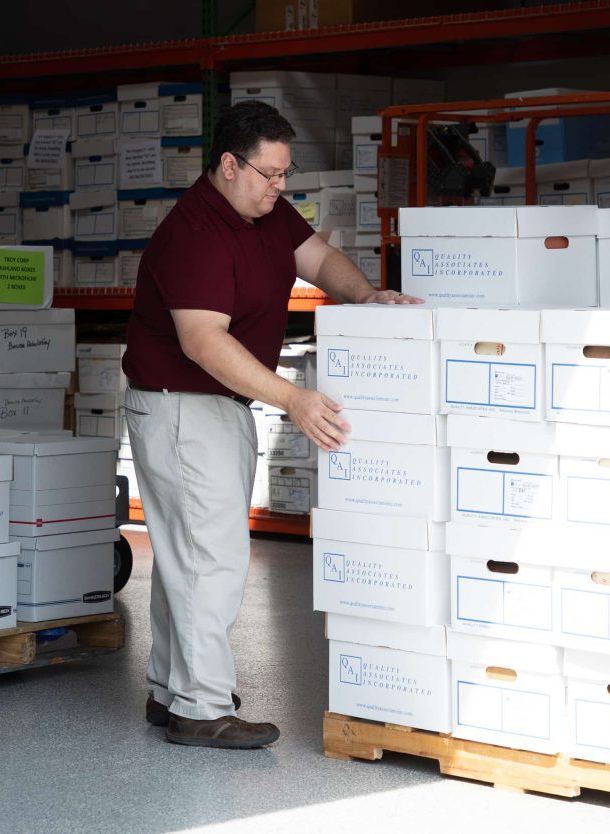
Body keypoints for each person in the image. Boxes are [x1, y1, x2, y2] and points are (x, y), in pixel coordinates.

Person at [121, 100, 423, 750]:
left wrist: (365, 294)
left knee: (187, 553)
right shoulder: (196, 233)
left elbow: (316, 257)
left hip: (214, 403)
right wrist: (293, 399)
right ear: (228, 166)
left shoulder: (265, 212)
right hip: (182, 402)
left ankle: (171, 690)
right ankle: (201, 709)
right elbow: (204, 341)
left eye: (285, 175)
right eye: (268, 174)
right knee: (212, 557)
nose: (279, 187)